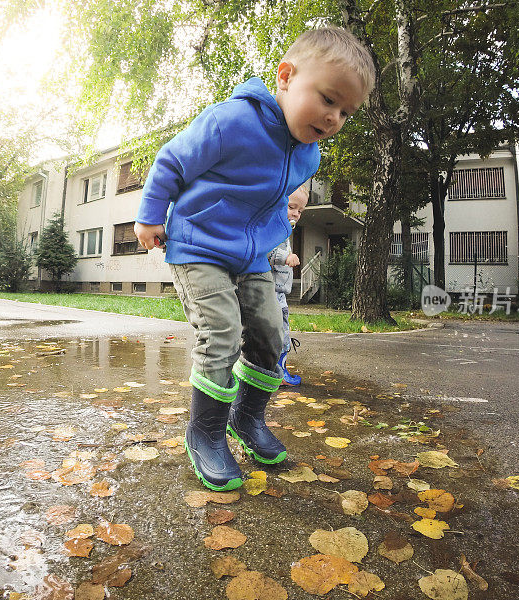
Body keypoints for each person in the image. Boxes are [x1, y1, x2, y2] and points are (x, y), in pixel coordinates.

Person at [134, 27, 375, 491]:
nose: (334, 117)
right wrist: (149, 217)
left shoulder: (308, 155)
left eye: (346, 111)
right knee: (221, 331)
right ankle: (205, 432)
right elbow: (171, 162)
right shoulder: (232, 121)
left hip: (252, 258)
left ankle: (246, 419)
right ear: (286, 77)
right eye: (327, 99)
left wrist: (280, 244)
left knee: (271, 332)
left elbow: (276, 201)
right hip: (198, 246)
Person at [270, 185, 308, 386]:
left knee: (282, 329)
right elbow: (267, 252)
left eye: (300, 210)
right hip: (272, 290)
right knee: (279, 331)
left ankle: (278, 369)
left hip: (280, 292)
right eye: (292, 207)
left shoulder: (284, 230)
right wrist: (286, 257)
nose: (296, 213)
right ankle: (277, 372)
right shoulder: (274, 228)